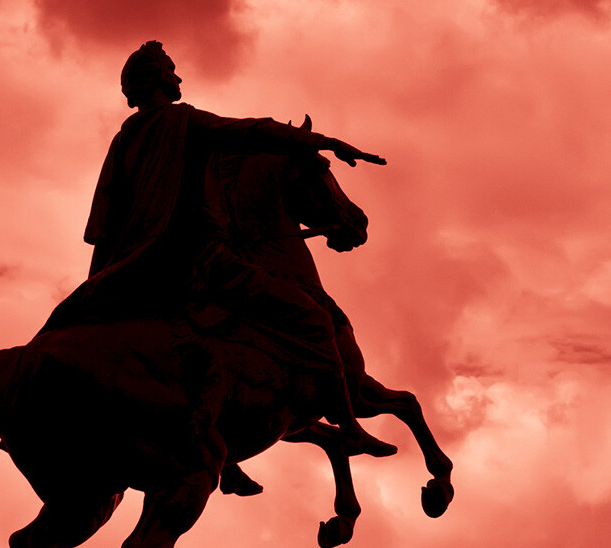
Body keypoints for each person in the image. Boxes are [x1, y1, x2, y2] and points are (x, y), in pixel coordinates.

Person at [40, 41, 395, 458]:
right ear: (155, 79)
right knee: (314, 318)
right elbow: (248, 131)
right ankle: (350, 427)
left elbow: (110, 217)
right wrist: (320, 141)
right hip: (202, 262)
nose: (179, 78)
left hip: (140, 270)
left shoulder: (124, 140)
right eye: (172, 70)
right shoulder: (181, 120)